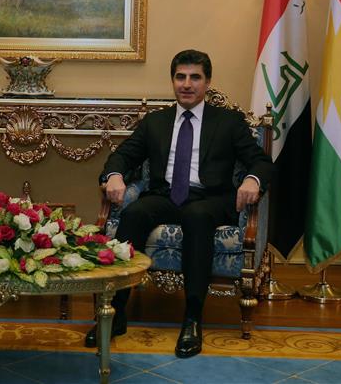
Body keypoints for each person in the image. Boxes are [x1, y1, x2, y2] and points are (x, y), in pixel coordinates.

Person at [85, 49, 273, 358]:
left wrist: (252, 179)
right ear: (172, 80)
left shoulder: (228, 122)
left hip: (211, 199)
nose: (187, 84)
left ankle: (192, 319)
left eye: (195, 77)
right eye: (180, 77)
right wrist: (115, 175)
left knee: (197, 216)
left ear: (207, 82)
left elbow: (261, 162)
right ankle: (115, 313)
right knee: (133, 213)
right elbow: (123, 155)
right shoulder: (155, 122)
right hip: (166, 196)